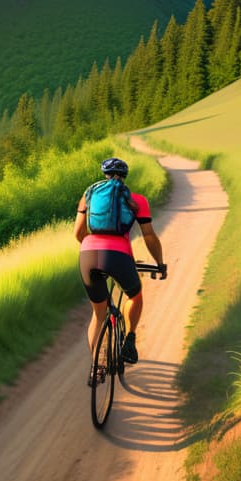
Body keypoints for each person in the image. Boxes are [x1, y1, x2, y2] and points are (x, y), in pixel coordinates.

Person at [75, 157, 165, 369]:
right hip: (118, 255)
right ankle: (130, 341)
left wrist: (92, 246)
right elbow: (149, 236)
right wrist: (159, 263)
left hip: (87, 254)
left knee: (98, 315)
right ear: (125, 177)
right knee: (135, 295)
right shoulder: (137, 200)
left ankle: (97, 368)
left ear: (104, 175)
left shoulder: (88, 196)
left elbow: (78, 232)